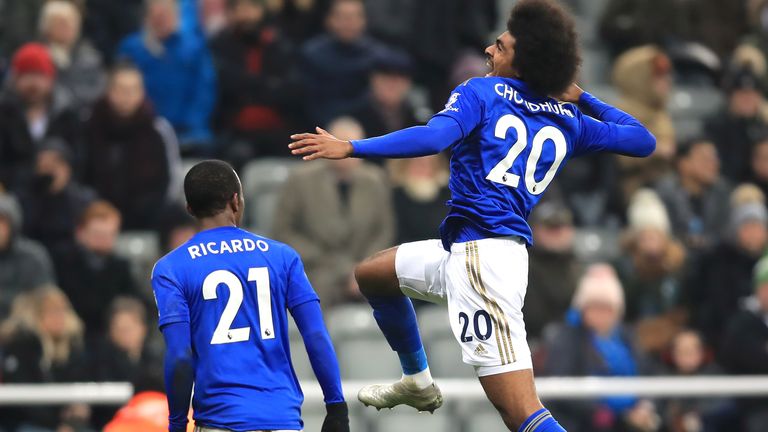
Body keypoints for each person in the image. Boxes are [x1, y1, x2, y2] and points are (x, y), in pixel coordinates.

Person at [288, 0, 656, 429]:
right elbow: (642, 140)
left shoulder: (479, 92)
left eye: (500, 47)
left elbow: (433, 136)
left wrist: (354, 147)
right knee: (373, 273)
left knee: (522, 412)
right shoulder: (570, 120)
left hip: (483, 263)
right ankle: (417, 380)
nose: (489, 50)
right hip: (477, 251)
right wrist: (583, 97)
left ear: (523, 63)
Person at [151, 160, 349, 432]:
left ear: (190, 209)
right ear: (236, 201)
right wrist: (336, 407)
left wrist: (176, 423)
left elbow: (180, 355)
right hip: (283, 419)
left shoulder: (171, 268)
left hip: (220, 420)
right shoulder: (282, 256)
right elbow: (315, 334)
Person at [274, 117, 395, 308]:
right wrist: (341, 268)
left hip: (366, 268)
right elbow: (284, 231)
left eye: (352, 146)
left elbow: (384, 230)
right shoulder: (300, 180)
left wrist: (363, 268)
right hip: (317, 269)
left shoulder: (376, 180)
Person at [542, 265, 659, 432]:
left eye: (607, 308)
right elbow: (563, 387)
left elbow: (649, 374)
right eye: (594, 307)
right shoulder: (567, 339)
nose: (601, 314)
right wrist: (609, 413)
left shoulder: (628, 338)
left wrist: (646, 406)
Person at [83, 62, 180, 230]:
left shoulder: (158, 130)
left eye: (133, 89)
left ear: (142, 92)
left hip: (148, 219)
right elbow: (83, 174)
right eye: (121, 89)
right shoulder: (89, 127)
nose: (127, 95)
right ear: (109, 91)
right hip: (100, 218)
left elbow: (169, 179)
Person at [117, 0, 216, 153]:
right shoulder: (132, 48)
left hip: (189, 132)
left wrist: (192, 123)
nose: (161, 21)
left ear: (176, 15)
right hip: (143, 130)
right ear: (147, 17)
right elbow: (122, 86)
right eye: (156, 17)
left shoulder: (194, 47)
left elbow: (204, 90)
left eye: (165, 16)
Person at [210, 0, 302, 162]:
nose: (245, 14)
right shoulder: (220, 45)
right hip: (235, 129)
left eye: (251, 7)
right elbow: (227, 85)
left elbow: (288, 91)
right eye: (239, 8)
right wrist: (265, 84)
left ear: (262, 10)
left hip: (279, 128)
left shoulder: (280, 45)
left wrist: (248, 82)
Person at [0, 286, 91, 431]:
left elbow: (80, 384)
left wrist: (72, 420)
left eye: (63, 310)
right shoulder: (21, 345)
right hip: (25, 422)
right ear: (36, 315)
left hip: (65, 423)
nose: (59, 317)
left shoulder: (73, 346)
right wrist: (55, 424)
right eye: (52, 312)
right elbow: (22, 398)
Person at [0, 42, 81, 192]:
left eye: (39, 75)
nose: (33, 83)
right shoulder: (4, 114)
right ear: (15, 79)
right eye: (27, 75)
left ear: (51, 79)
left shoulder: (67, 113)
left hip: (59, 195)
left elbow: (79, 159)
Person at [53, 200, 139, 338]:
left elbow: (133, 300)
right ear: (80, 233)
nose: (104, 240)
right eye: (98, 234)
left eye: (109, 235)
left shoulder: (120, 267)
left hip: (111, 334)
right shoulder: (63, 262)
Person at [301, 0, 387, 125]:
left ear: (364, 20)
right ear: (329, 20)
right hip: (320, 125)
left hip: (369, 127)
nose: (349, 23)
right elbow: (308, 102)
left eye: (354, 16)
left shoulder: (378, 55)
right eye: (343, 17)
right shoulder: (311, 54)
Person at [17, 139, 97, 255]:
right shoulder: (24, 199)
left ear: (68, 168)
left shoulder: (84, 199)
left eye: (57, 164)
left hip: (73, 259)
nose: (50, 170)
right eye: (45, 166)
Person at [654, 138, 731, 254]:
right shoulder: (664, 194)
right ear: (683, 164)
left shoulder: (722, 192)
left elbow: (724, 233)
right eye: (705, 159)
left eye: (715, 158)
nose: (714, 164)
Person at [39, 0, 107, 107]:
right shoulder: (37, 56)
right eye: (61, 23)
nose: (67, 28)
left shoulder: (90, 57)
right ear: (47, 27)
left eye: (71, 23)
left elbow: (98, 90)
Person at [0, 193, 56, 318]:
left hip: (24, 328)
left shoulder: (33, 257)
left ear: (13, 224)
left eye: (2, 221)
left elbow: (45, 298)